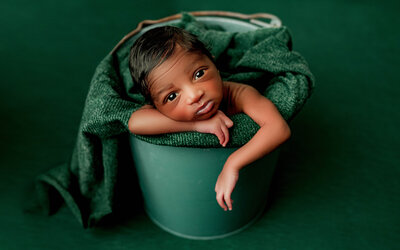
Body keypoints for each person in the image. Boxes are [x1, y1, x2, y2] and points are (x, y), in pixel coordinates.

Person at [128, 26, 291, 212]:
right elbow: (135, 123)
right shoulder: (156, 110)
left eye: (199, 74)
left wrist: (233, 163)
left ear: (214, 63)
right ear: (155, 106)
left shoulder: (239, 94)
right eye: (172, 96)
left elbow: (278, 128)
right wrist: (197, 124)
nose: (194, 95)